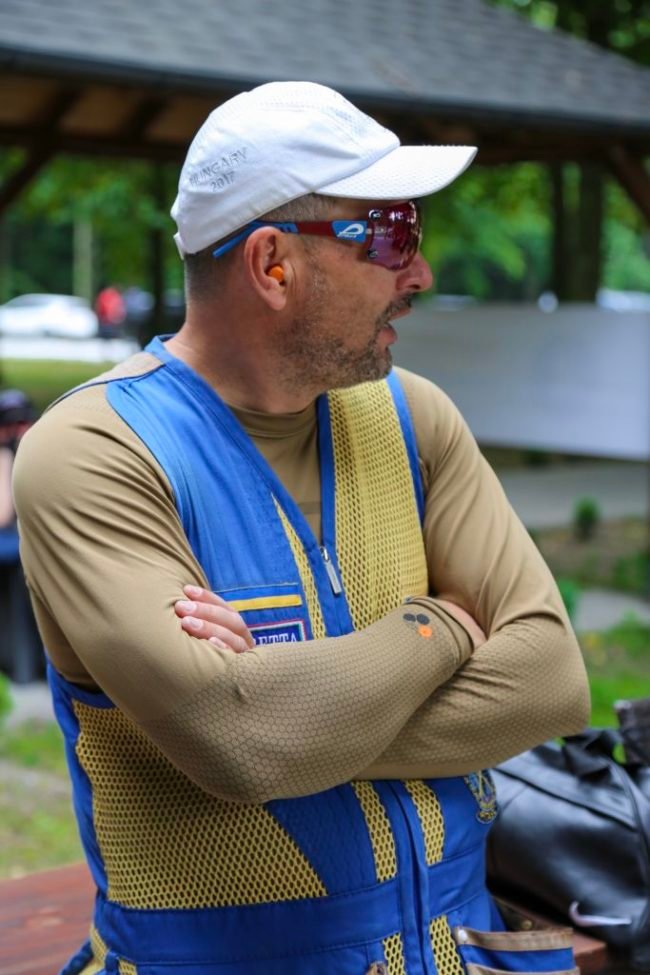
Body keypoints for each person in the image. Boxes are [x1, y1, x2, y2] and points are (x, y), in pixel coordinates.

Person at [13, 82, 590, 975]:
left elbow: (550, 679)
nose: (420, 275)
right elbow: (242, 742)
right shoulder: (96, 452)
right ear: (273, 265)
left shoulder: (415, 418)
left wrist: (291, 718)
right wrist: (439, 628)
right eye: (391, 234)